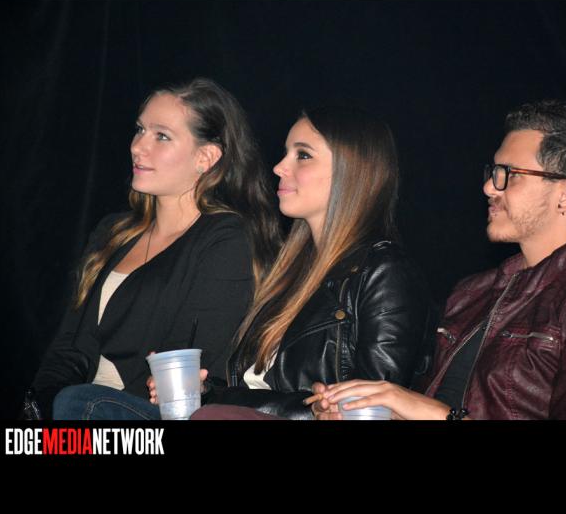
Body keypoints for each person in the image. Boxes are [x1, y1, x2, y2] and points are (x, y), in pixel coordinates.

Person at [313, 100, 566, 420]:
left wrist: (439, 415)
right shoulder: (473, 292)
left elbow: (438, 414)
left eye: (509, 174)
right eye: (493, 172)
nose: (489, 187)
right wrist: (369, 410)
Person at [21, 77, 282, 420]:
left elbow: (189, 364)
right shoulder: (113, 233)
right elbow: (69, 348)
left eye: (161, 136)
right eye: (140, 129)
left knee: (82, 402)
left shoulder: (225, 239)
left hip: (143, 416)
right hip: (80, 411)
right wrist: (42, 409)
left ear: (205, 157)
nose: (138, 146)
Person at [187, 106, 436, 420]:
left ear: (351, 171)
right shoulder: (290, 272)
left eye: (303, 155)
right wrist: (204, 391)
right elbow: (253, 387)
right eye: (286, 153)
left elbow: (371, 407)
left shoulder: (384, 273)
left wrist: (304, 409)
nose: (279, 167)